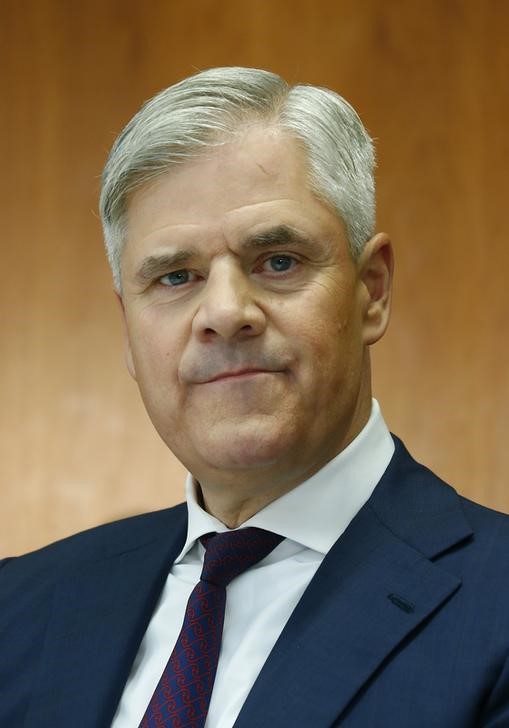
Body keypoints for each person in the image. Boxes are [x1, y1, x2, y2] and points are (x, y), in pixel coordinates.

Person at [1, 67, 508, 728]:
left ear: (371, 291)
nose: (224, 311)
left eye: (277, 261)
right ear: (127, 327)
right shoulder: (19, 608)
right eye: (175, 276)